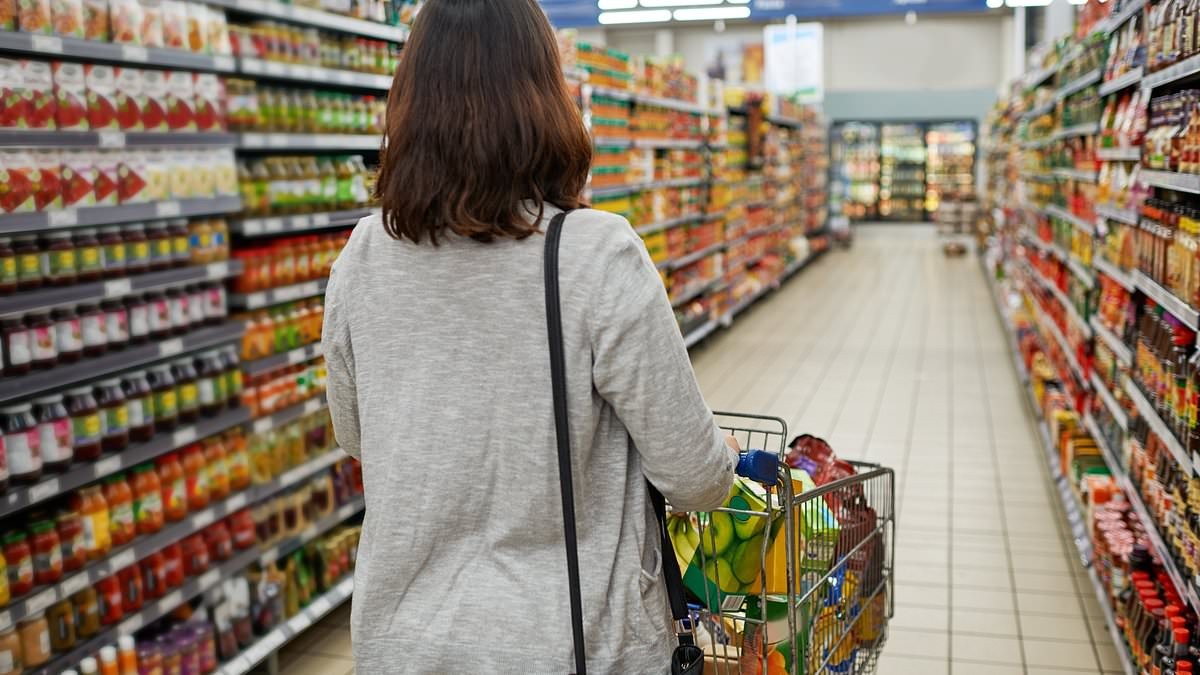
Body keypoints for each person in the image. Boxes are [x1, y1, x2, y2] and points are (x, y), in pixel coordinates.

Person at [321, 0, 739, 671]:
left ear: (409, 102)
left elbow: (357, 435)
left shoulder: (364, 254)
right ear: (546, 98)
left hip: (404, 644)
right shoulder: (595, 254)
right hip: (568, 646)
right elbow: (694, 479)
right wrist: (719, 454)